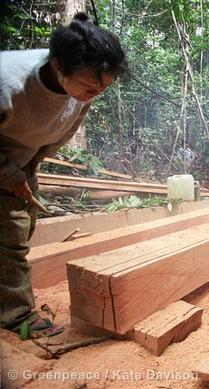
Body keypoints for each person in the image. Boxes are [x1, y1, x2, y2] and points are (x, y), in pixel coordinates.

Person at [0, 13, 128, 337]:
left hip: (23, 156)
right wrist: (8, 174)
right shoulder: (7, 83)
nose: (97, 91)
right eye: (90, 85)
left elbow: (62, 128)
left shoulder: (86, 88)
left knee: (24, 224)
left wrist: (29, 168)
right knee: (11, 236)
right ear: (59, 64)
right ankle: (16, 316)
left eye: (104, 86)